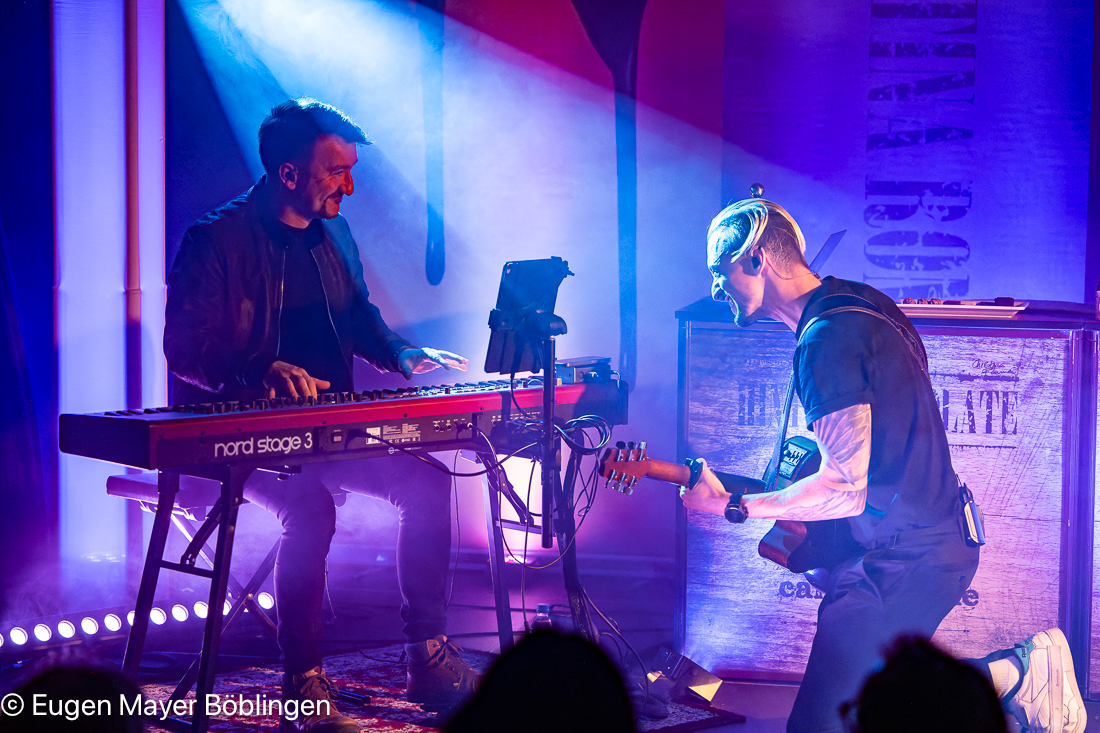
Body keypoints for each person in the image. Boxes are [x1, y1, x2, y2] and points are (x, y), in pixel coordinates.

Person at [680, 198, 1085, 733]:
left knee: (825, 726)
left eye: (719, 269)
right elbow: (867, 462)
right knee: (872, 708)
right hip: (917, 546)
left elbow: (844, 488)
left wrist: (733, 505)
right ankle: (1017, 675)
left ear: (757, 258)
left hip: (907, 557)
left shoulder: (825, 341)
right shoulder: (857, 303)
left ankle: (1017, 673)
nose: (714, 287)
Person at [164, 98, 480, 733]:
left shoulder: (335, 234)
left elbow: (358, 314)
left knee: (428, 480)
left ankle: (427, 655)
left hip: (324, 430)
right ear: (288, 173)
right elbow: (185, 350)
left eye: (350, 171)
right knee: (309, 507)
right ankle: (302, 682)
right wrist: (260, 371)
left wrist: (399, 352)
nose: (349, 186)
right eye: (336, 171)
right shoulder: (215, 241)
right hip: (238, 440)